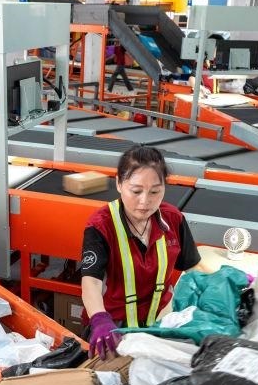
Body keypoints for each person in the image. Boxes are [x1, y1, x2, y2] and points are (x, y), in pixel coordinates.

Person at [80, 145, 212, 358]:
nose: (145, 201)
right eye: (136, 191)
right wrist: (99, 318)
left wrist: (220, 285)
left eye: (155, 192)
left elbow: (193, 267)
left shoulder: (173, 219)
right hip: (112, 329)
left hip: (158, 326)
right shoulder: (101, 225)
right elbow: (91, 282)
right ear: (119, 184)